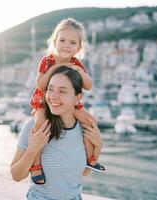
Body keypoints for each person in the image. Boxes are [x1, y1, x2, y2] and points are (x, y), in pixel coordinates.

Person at [11, 66, 104, 200]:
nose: (53, 96)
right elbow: (16, 176)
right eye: (50, 89)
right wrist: (32, 149)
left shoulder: (85, 130)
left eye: (62, 91)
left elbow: (83, 172)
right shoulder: (35, 127)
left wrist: (98, 146)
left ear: (78, 98)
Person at [29, 18, 102, 184]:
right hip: (43, 100)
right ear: (55, 42)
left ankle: (91, 158)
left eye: (72, 42)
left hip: (68, 103)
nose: (66, 45)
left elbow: (88, 85)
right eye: (62, 40)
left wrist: (79, 71)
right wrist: (53, 70)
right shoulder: (47, 61)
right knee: (39, 124)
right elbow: (40, 85)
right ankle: (36, 165)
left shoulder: (76, 63)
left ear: (78, 47)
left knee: (89, 121)